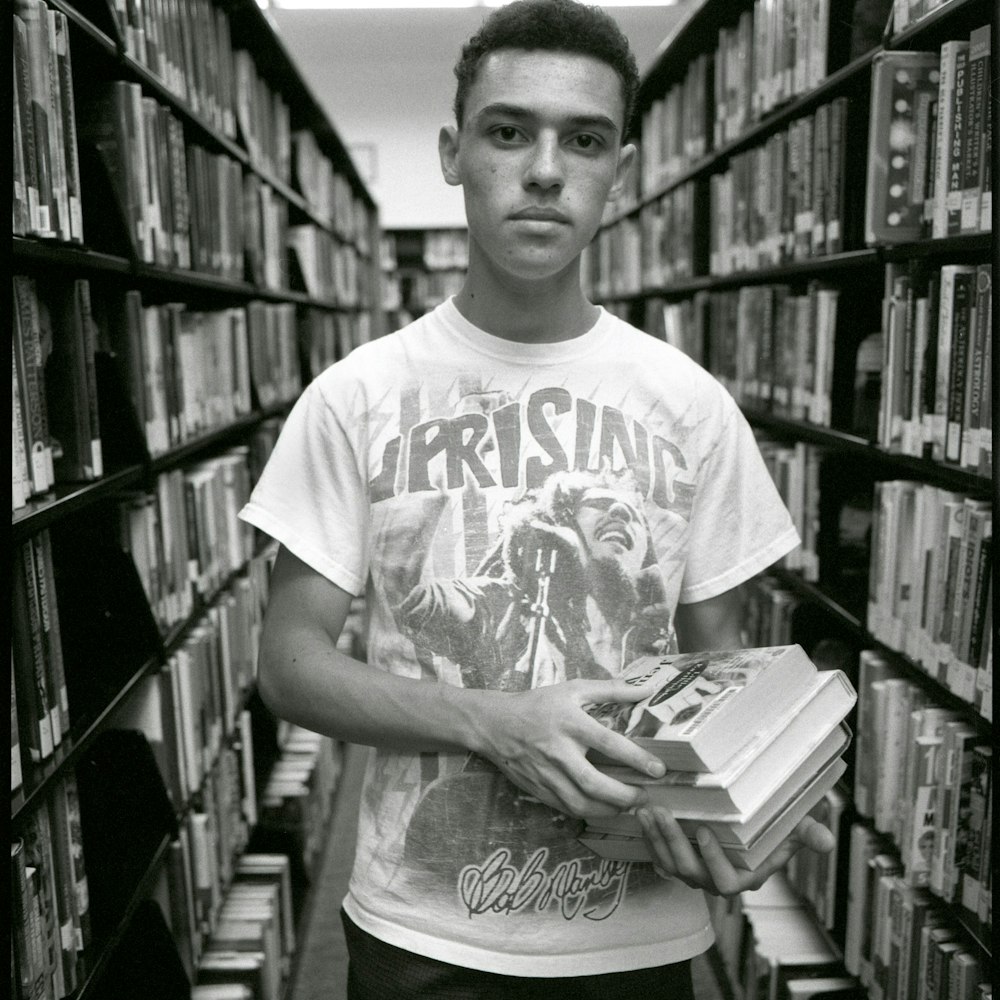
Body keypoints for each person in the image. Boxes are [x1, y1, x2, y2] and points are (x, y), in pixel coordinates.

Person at [239, 1, 835, 996]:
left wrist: (752, 800)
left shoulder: (688, 404)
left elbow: (717, 671)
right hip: (423, 934)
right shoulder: (355, 396)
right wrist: (492, 722)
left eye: (584, 140)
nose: (545, 169)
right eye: (508, 131)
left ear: (624, 170)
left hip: (640, 932)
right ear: (451, 151)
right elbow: (289, 669)